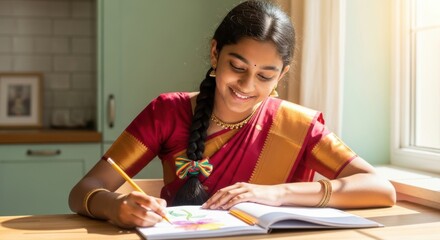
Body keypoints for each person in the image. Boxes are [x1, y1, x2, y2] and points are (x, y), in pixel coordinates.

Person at [69, 0, 396, 228]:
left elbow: (379, 189)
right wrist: (116, 207)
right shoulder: (167, 112)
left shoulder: (298, 126)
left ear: (282, 75)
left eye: (265, 76)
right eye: (237, 67)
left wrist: (276, 193)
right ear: (215, 53)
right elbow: (84, 190)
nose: (246, 85)